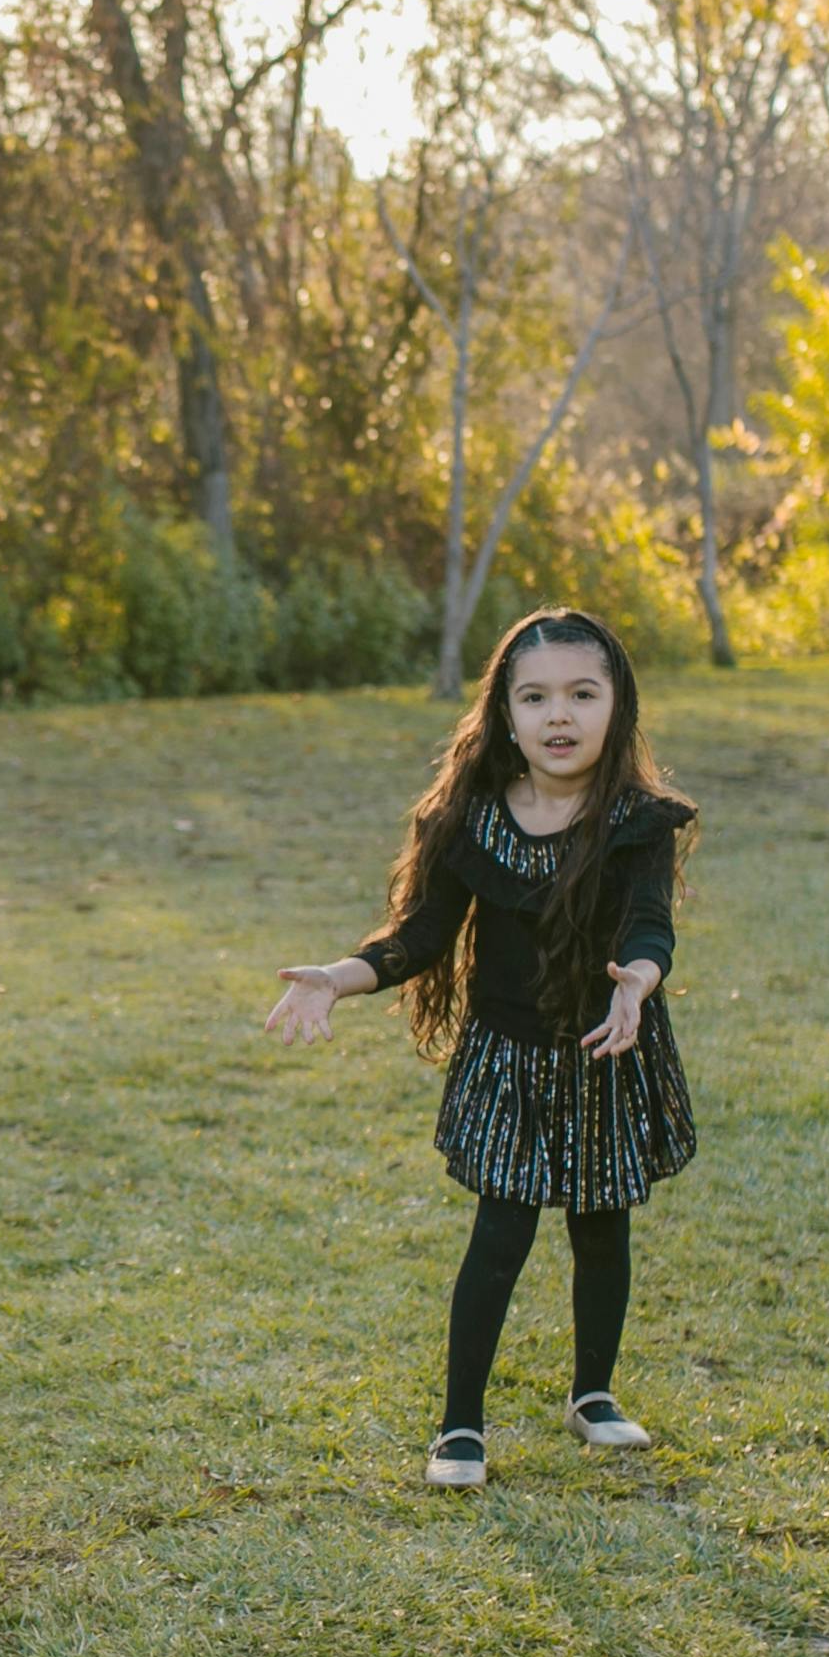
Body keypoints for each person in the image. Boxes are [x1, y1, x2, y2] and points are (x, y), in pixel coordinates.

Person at [264, 606, 698, 1490]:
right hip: (508, 1060)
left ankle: (592, 1394)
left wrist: (637, 981)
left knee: (600, 1227)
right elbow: (418, 936)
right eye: (534, 697)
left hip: (605, 1050)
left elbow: (650, 925)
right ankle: (459, 1428)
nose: (559, 715)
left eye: (582, 692)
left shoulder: (636, 820)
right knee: (498, 1236)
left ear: (617, 705)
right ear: (504, 713)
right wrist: (337, 977)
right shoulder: (469, 821)